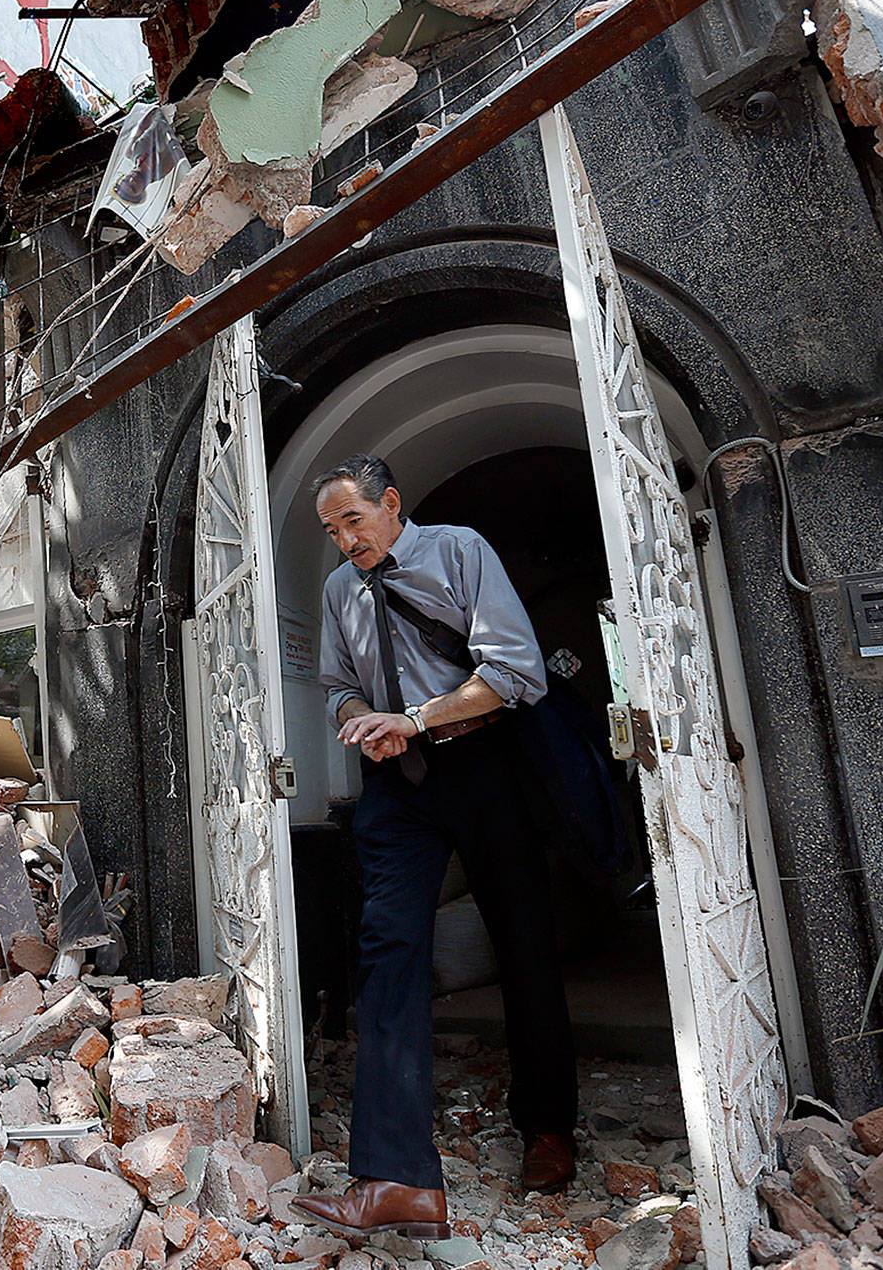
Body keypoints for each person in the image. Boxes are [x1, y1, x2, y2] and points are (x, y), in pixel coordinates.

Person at [290, 454, 579, 1241]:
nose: (345, 539)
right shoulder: (337, 590)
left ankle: (549, 1128)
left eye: (354, 519)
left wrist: (413, 717)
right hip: (396, 784)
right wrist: (361, 719)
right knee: (387, 951)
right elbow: (337, 682)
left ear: (390, 503)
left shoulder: (458, 549)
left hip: (487, 765)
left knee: (523, 942)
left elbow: (517, 672)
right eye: (330, 530)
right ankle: (397, 1180)